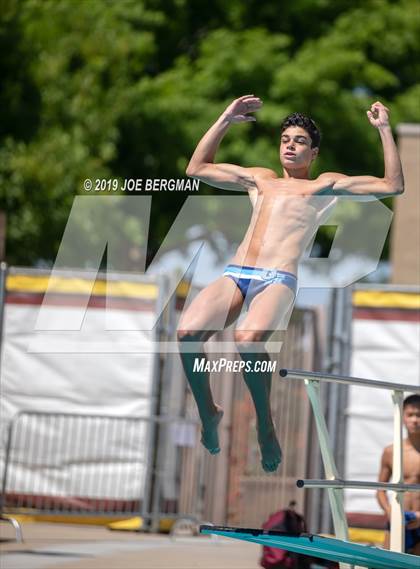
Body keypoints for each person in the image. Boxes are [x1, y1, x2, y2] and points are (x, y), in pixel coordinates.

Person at [177, 95, 404, 472]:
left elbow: (392, 185)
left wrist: (383, 130)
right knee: (185, 332)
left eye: (299, 141)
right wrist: (225, 119)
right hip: (237, 273)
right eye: (285, 140)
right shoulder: (260, 179)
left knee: (247, 341)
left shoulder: (323, 186)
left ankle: (265, 426)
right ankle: (209, 412)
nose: (290, 145)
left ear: (313, 154)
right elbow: (197, 168)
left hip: (277, 279)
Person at [377, 394, 420, 555]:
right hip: (397, 520)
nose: (415, 420)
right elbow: (380, 490)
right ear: (402, 417)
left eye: (419, 415)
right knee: (388, 564)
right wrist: (390, 512)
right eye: (410, 415)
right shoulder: (391, 451)